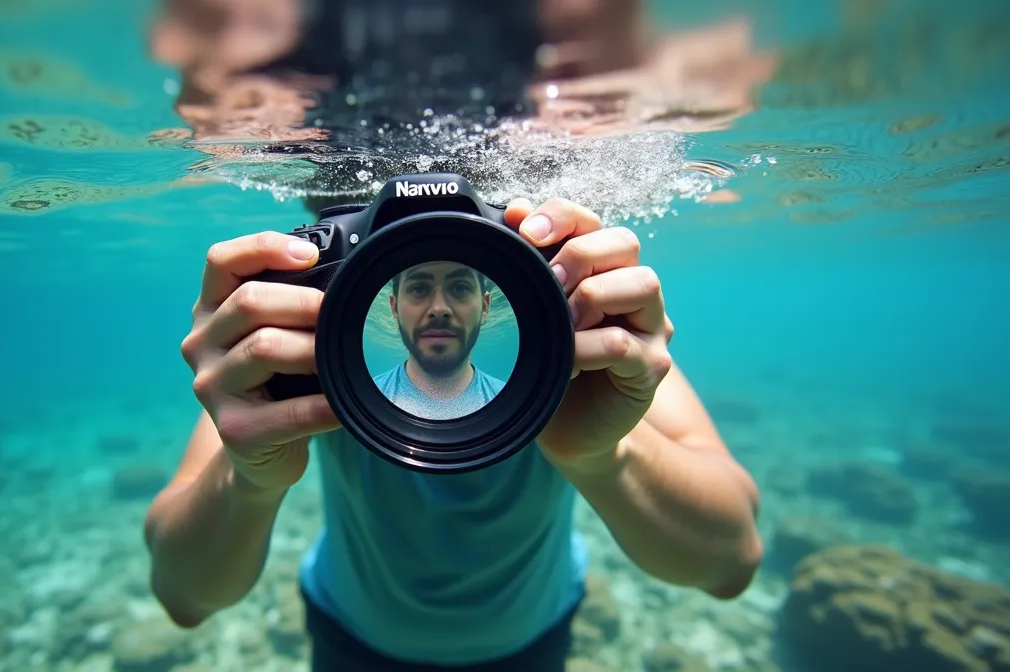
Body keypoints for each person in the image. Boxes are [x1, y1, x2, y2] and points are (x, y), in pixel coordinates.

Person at [146, 3, 765, 671]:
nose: (438, 306)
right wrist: (249, 479)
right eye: (414, 284)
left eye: (463, 284)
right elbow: (184, 595)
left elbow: (730, 560)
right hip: (351, 635)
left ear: (497, 298)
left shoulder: (568, 336)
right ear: (376, 298)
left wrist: (603, 454)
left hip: (533, 637)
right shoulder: (315, 336)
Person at [373, 261, 501, 420]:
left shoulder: (527, 412)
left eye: (460, 288)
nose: (439, 308)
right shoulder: (346, 405)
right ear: (394, 308)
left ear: (484, 307)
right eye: (419, 288)